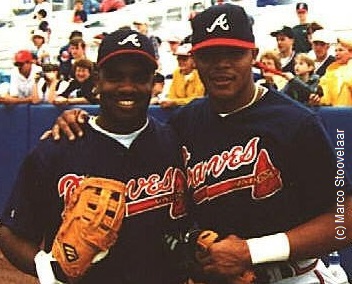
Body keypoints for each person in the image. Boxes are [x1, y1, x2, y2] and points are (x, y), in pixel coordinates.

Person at [41, 4, 352, 284]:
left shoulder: (296, 123)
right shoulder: (184, 123)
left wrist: (251, 252)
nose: (222, 65)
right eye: (209, 56)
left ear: (253, 56)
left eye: (234, 54)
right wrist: (78, 118)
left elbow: (345, 220)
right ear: (195, 59)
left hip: (291, 276)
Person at [0, 28, 187, 284]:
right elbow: (12, 232)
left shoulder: (174, 142)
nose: (127, 87)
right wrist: (51, 270)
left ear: (153, 82)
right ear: (97, 80)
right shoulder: (58, 148)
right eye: (116, 76)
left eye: (139, 77)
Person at [159, 43, 205, 108]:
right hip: (176, 108)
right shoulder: (176, 73)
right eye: (178, 59)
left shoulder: (199, 74)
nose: (180, 62)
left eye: (184, 59)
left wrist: (175, 102)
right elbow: (172, 95)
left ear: (193, 59)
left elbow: (197, 99)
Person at [312, 37, 352, 106]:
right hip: (334, 112)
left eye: (340, 50)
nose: (337, 53)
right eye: (336, 51)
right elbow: (325, 93)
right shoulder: (331, 70)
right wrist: (318, 100)